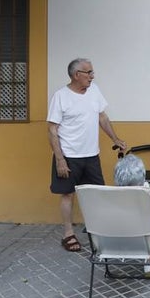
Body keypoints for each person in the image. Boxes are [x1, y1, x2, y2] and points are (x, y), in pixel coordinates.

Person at [47, 57, 128, 253]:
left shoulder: (94, 91)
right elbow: (52, 129)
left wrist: (115, 139)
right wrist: (60, 159)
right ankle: (68, 234)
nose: (92, 76)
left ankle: (98, 231)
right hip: (69, 156)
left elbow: (102, 117)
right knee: (67, 194)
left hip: (91, 155)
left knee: (96, 194)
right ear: (77, 75)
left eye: (92, 72)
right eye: (89, 72)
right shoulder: (61, 96)